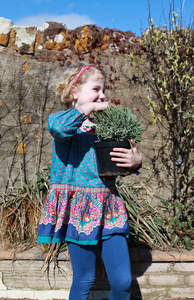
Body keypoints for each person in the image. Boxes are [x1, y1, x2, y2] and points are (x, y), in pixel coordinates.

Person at [38, 62, 142, 300]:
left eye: (103, 90)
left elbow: (122, 159)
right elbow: (59, 128)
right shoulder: (63, 121)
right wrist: (87, 107)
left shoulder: (103, 127)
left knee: (123, 282)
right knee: (84, 279)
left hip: (109, 208)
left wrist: (135, 161)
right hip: (78, 212)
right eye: (96, 89)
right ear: (74, 91)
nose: (102, 95)